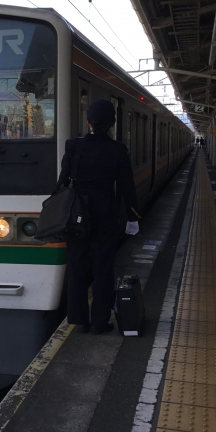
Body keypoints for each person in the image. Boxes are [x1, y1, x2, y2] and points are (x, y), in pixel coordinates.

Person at [57, 99, 140, 335]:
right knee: (103, 268)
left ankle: (79, 319)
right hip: (105, 214)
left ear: (88, 122)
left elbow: (63, 181)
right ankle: (99, 322)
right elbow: (127, 187)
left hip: (77, 216)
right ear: (112, 124)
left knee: (77, 266)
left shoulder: (73, 146)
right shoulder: (117, 150)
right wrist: (132, 217)